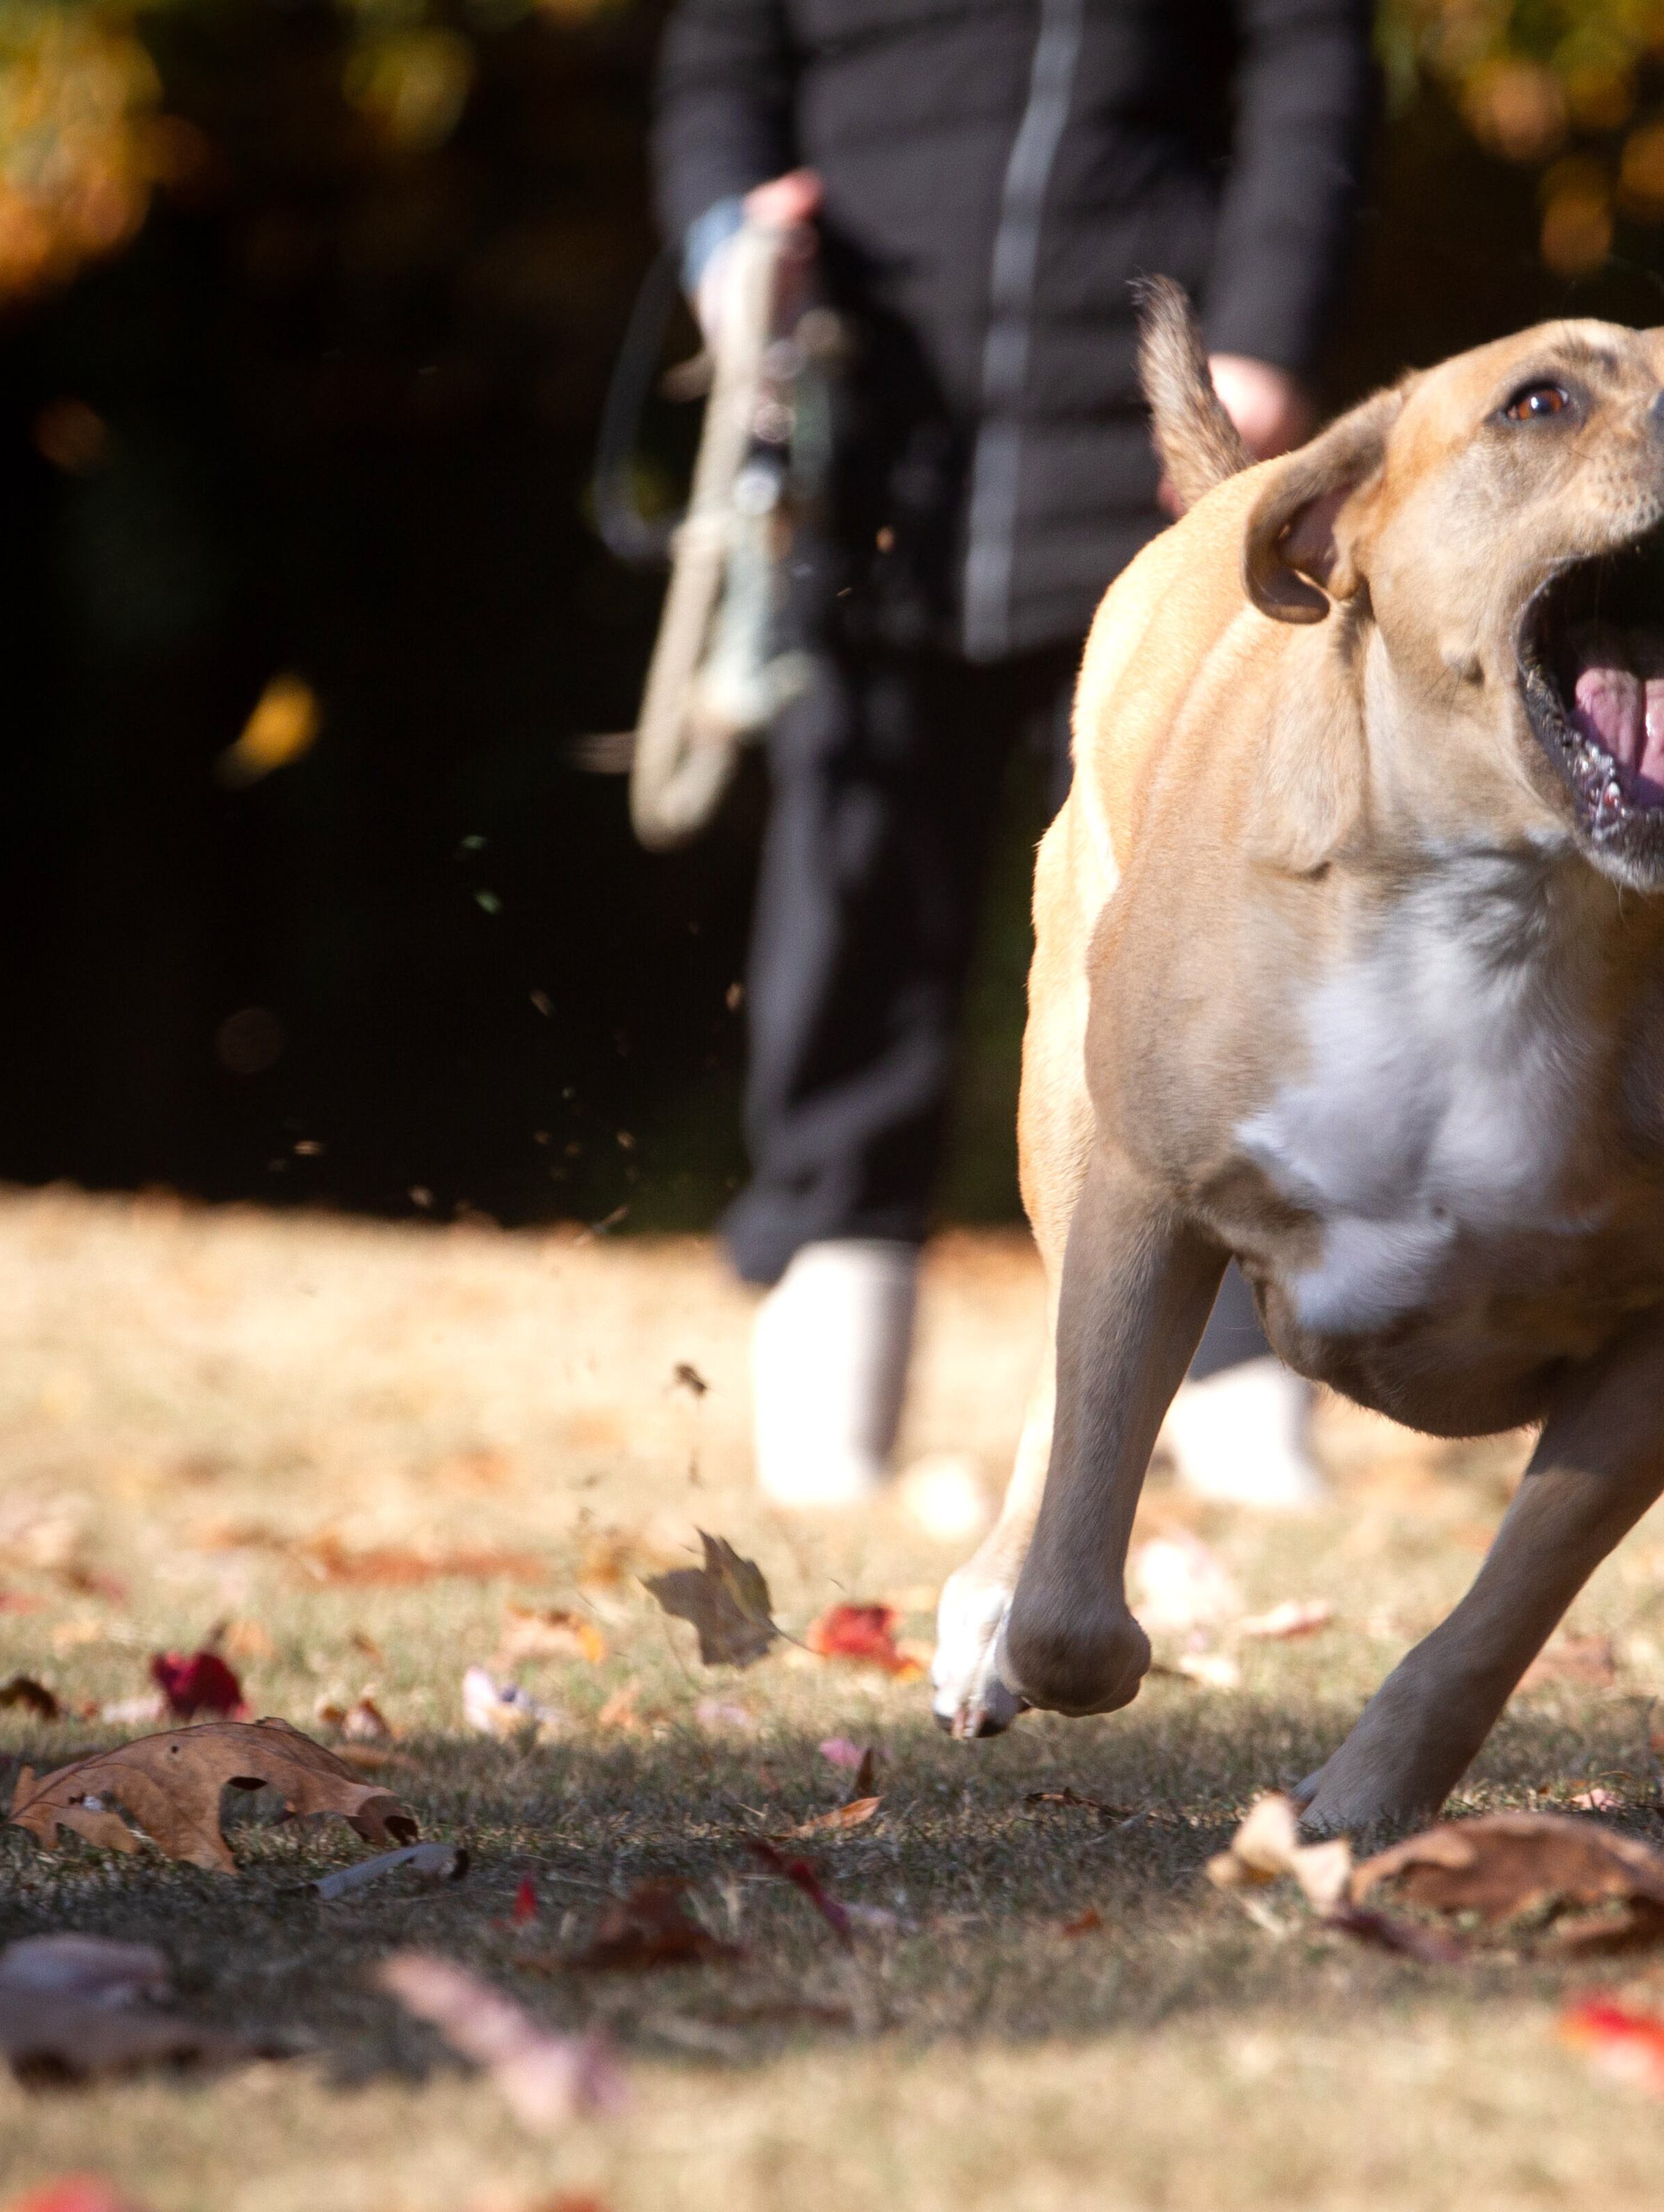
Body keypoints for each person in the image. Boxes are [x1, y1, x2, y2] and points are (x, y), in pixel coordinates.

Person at [651, 0, 1377, 1513]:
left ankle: (1246, 1384)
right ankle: (829, 1390)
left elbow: (1314, 59)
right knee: (844, 931)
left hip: (1145, 459)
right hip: (867, 457)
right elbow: (719, 71)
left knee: (1195, 935)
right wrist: (728, 244)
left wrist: (1262, 338)